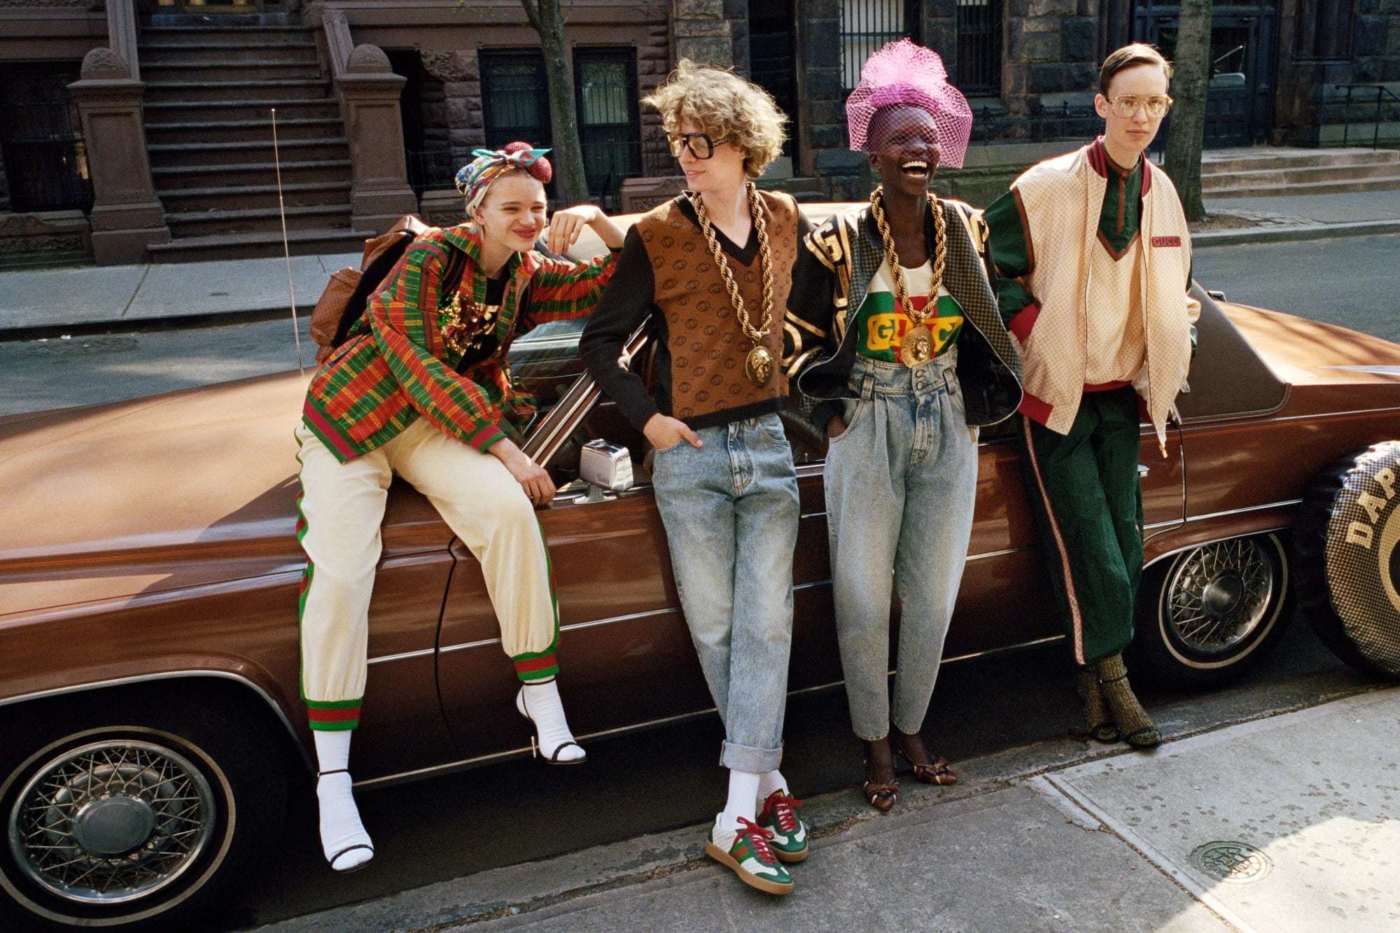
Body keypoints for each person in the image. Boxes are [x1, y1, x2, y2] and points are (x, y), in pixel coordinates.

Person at [295, 142, 624, 872]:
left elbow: (612, 284)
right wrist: (509, 450)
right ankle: (334, 779)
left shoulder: (527, 274)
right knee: (343, 570)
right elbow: (414, 363)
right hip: (355, 417)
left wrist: (600, 221)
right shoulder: (429, 260)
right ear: (477, 211)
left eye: (537, 208)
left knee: (508, 515)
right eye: (512, 208)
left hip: (428, 425)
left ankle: (539, 693)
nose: (529, 220)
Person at [579, 60, 810, 896]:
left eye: (700, 142)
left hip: (767, 444)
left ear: (744, 146)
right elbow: (600, 343)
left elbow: (812, 319)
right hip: (690, 453)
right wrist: (649, 422)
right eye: (679, 141)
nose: (685, 155)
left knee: (767, 625)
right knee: (718, 628)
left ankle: (735, 814)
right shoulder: (658, 234)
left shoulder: (784, 218)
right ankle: (766, 787)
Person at [786, 39, 1022, 812]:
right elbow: (792, 339)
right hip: (869, 416)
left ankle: (913, 725)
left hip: (947, 416)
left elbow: (997, 312)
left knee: (932, 594)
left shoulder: (967, 229)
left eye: (927, 136)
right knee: (861, 594)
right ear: (873, 154)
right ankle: (875, 740)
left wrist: (984, 398)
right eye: (900, 139)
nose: (917, 149)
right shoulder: (837, 241)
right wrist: (828, 418)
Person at [982, 44, 1200, 749]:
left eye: (1154, 103)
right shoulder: (1046, 185)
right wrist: (1033, 331)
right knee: (1089, 544)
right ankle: (1116, 681)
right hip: (1057, 397)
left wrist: (1176, 336)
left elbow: (1178, 283)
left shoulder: (1164, 193)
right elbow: (984, 262)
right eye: (1129, 101)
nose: (1142, 116)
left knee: (1125, 541)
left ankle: (1094, 687)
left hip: (1122, 398)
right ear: (1102, 104)